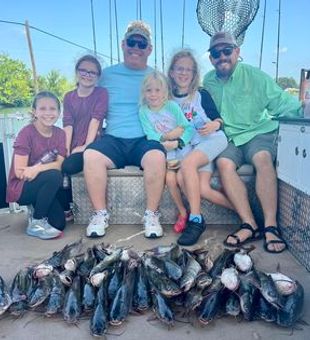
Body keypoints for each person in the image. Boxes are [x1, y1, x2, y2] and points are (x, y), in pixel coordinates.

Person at [203, 31, 303, 253]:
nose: (222, 57)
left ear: (237, 52)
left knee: (263, 158)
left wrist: (305, 108)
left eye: (227, 51)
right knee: (224, 165)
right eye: (216, 53)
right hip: (229, 137)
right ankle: (249, 224)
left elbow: (283, 104)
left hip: (259, 133)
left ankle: (271, 226)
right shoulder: (208, 80)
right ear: (211, 58)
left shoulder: (256, 76)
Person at [83, 21, 166, 239]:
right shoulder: (106, 75)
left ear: (149, 49)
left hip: (145, 138)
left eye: (142, 44)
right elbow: (88, 104)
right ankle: (100, 214)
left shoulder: (157, 78)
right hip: (113, 139)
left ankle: (151, 215)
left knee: (157, 157)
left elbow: (173, 108)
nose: (136, 48)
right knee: (91, 156)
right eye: (132, 42)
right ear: (123, 44)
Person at [167, 49, 231, 246]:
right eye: (180, 69)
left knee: (187, 167)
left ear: (194, 74)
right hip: (194, 147)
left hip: (212, 140)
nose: (184, 73)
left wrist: (214, 124)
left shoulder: (201, 94)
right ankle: (248, 215)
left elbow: (218, 119)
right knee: (196, 185)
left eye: (189, 70)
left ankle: (196, 220)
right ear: (171, 72)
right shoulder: (167, 100)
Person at [6, 91, 66, 240]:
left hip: (43, 183)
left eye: (52, 109)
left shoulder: (60, 134)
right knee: (53, 175)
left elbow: (59, 164)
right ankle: (36, 222)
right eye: (42, 108)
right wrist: (34, 171)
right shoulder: (26, 133)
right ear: (34, 112)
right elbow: (20, 172)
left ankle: (36, 207)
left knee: (59, 224)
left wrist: (37, 168)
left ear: (59, 112)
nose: (48, 113)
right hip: (23, 188)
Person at [61, 55, 108, 221]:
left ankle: (70, 208)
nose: (87, 75)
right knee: (58, 162)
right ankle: (62, 207)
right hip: (72, 144)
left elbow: (96, 120)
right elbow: (68, 124)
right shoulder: (68, 97)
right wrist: (65, 150)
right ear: (77, 72)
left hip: (93, 144)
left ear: (98, 76)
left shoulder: (101, 93)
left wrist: (86, 146)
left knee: (69, 165)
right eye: (84, 70)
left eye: (92, 72)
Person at [139, 70, 194, 171]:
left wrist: (178, 143)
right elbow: (150, 134)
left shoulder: (171, 106)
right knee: (170, 179)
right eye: (149, 90)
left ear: (164, 91)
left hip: (181, 147)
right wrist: (167, 136)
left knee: (183, 175)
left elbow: (189, 129)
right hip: (163, 148)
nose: (153, 94)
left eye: (157, 90)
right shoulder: (143, 111)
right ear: (143, 92)